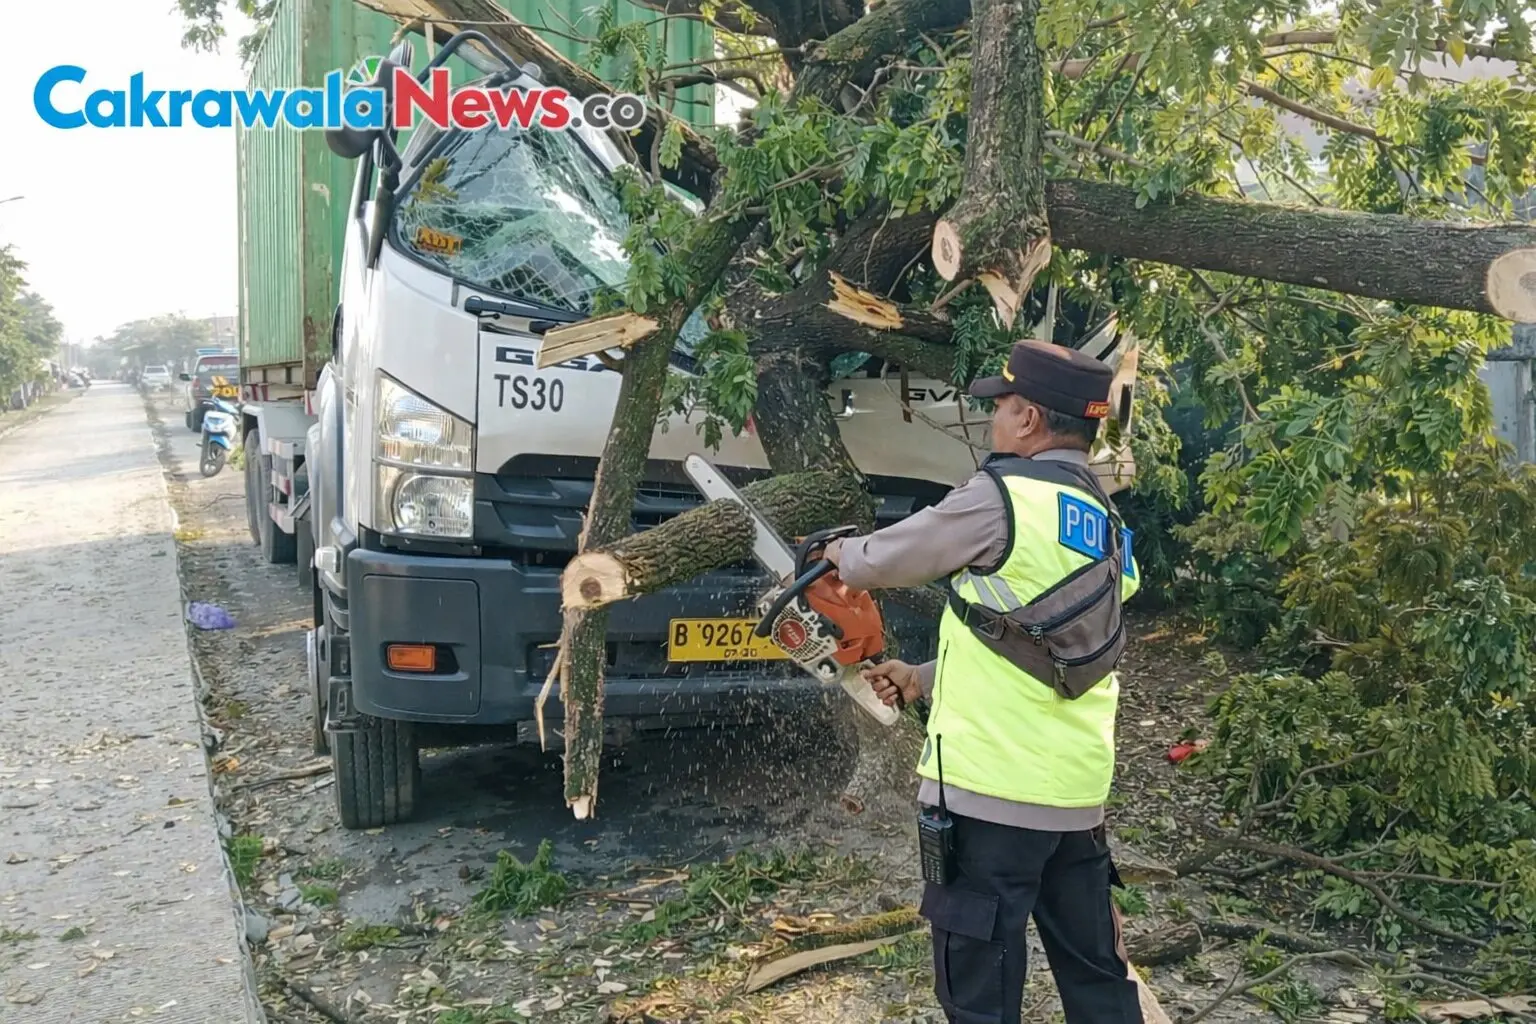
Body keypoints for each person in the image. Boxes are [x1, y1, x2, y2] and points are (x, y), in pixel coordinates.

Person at [822, 338, 1144, 1023]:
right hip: (1076, 801)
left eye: (999, 406)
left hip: (993, 799)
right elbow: (1053, 642)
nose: (992, 418)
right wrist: (924, 677)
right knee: (1097, 980)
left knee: (979, 993)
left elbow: (890, 557)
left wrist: (834, 554)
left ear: (1029, 419)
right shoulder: (1109, 526)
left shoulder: (1002, 496)